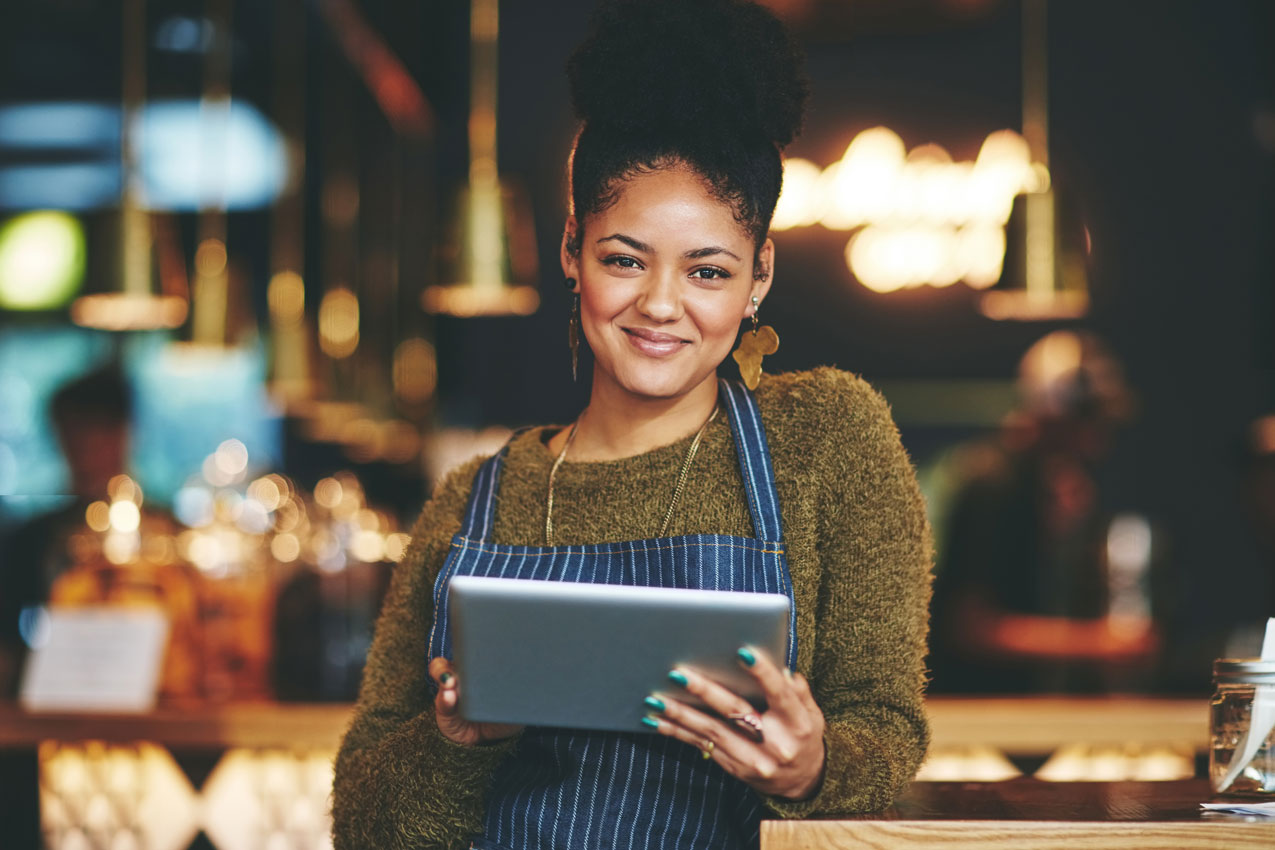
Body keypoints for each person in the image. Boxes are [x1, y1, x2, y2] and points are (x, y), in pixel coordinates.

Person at [332, 2, 932, 847]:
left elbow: (888, 729)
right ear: (573, 248)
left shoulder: (828, 438)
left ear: (758, 275)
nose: (659, 305)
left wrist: (813, 766)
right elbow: (362, 827)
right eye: (624, 258)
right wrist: (455, 740)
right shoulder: (474, 500)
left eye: (707, 270)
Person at [927, 330, 1158, 694]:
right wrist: (1100, 643)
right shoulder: (991, 481)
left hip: (1022, 710)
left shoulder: (1051, 484)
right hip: (980, 714)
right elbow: (969, 628)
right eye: (1089, 419)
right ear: (1052, 413)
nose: (1098, 436)